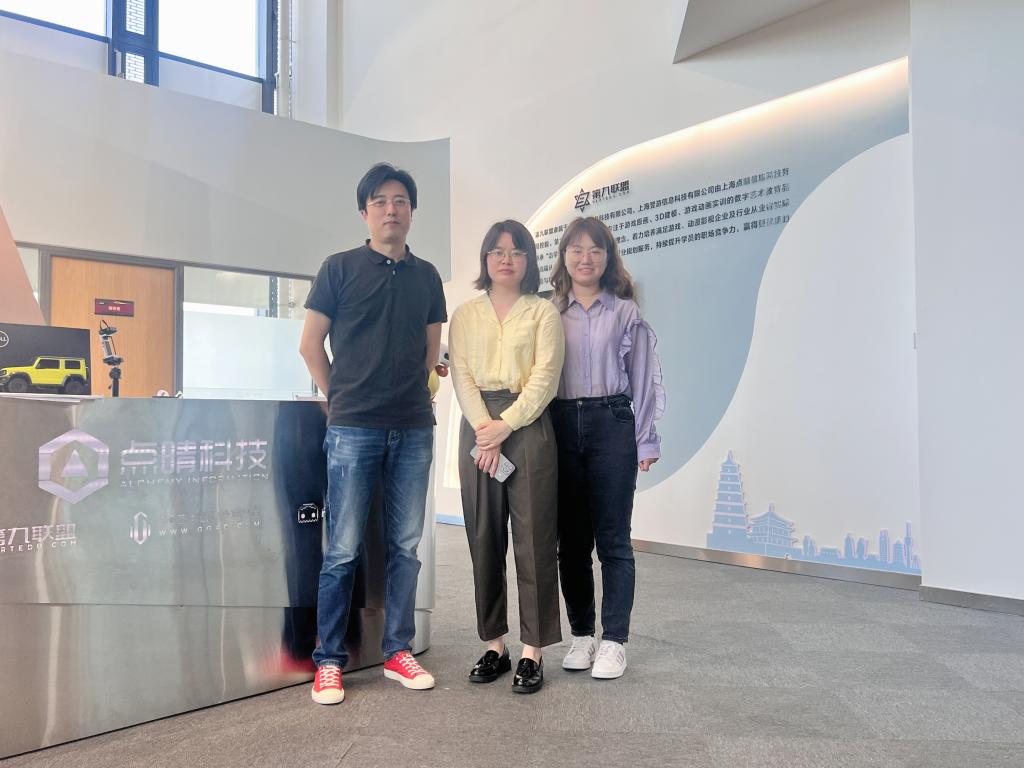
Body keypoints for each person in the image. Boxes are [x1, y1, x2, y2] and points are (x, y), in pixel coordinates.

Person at [299, 163, 447, 704]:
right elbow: (310, 344)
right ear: (365, 212)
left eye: (401, 200)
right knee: (342, 549)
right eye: (381, 201)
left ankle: (397, 651)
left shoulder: (427, 277)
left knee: (406, 547)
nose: (391, 209)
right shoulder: (338, 268)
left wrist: (411, 394)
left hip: (413, 427)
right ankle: (328, 660)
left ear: (412, 211)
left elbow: (429, 353)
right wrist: (341, 397)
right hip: (353, 428)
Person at [448, 220, 565, 694]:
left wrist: (506, 426)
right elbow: (461, 375)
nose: (506, 259)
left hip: (528, 425)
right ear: (485, 258)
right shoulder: (465, 314)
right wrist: (485, 430)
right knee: (483, 534)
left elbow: (545, 377)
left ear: (528, 261)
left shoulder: (543, 313)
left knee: (535, 538)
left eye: (517, 252)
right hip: (478, 427)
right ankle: (495, 644)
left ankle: (533, 651)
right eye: (497, 251)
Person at [549, 216, 665, 680]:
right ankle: (583, 635)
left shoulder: (625, 312)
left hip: (611, 422)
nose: (585, 258)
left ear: (608, 257)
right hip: (560, 424)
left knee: (614, 539)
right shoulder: (548, 312)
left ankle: (615, 640)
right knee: (571, 543)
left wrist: (646, 438)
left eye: (595, 250)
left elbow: (643, 378)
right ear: (563, 257)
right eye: (576, 249)